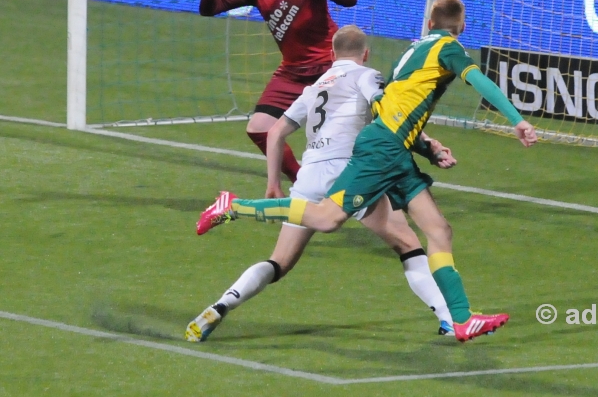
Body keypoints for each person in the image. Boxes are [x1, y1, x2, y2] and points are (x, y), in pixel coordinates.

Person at [196, 0, 538, 342]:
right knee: (340, 223)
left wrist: (426, 147)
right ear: (461, 27)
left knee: (438, 229)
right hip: (377, 152)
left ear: (429, 23)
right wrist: (516, 120)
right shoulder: (411, 61)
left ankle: (461, 318)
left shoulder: (398, 57)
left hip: (346, 160)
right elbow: (459, 85)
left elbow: (276, 131)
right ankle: (235, 206)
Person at [186, 25, 454, 342]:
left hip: (310, 173)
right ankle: (448, 318)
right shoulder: (367, 76)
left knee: (279, 262)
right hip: (349, 170)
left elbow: (275, 132)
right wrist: (428, 145)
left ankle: (220, 305)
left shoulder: (313, 88)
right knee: (408, 245)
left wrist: (273, 183)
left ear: (331, 54)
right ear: (365, 54)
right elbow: (390, 114)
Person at [199, 0, 357, 182]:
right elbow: (209, 9)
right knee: (259, 128)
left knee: (360, 131)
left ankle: (414, 161)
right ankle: (303, 180)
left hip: (329, 67)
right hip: (292, 72)